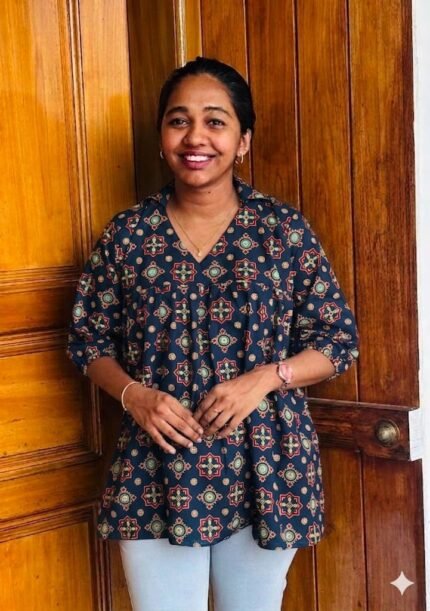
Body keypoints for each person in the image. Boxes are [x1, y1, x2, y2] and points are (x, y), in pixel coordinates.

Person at [67, 57, 359, 611]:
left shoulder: (281, 231)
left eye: (215, 121)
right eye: (179, 121)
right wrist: (135, 396)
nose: (195, 137)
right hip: (156, 465)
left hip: (267, 462)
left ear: (243, 140)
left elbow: (337, 341)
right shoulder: (129, 235)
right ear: (162, 138)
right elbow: (88, 341)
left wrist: (266, 378)